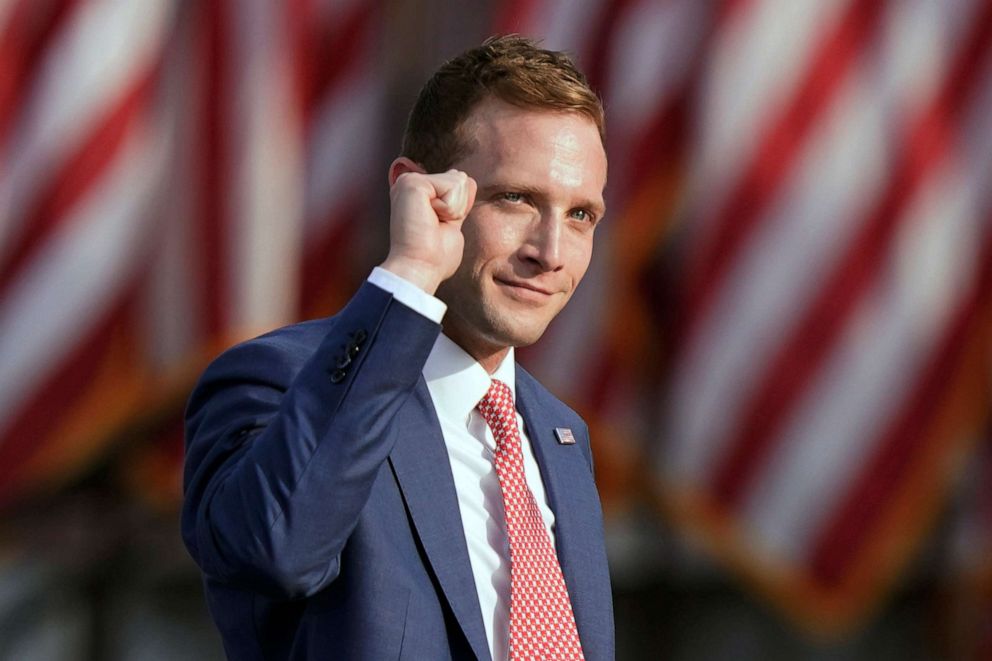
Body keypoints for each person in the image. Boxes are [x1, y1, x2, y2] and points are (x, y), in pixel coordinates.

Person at [181, 35, 613, 660]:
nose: (549, 252)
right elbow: (276, 549)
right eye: (515, 198)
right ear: (416, 190)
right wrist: (410, 271)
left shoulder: (560, 436)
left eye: (579, 216)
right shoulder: (278, 379)